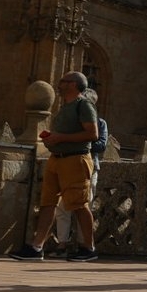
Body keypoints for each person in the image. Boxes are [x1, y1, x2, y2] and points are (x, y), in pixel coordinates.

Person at [10, 71, 100, 262]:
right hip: (56, 159)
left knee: (79, 204)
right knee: (47, 203)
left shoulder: (84, 105)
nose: (59, 84)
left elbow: (92, 134)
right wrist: (52, 139)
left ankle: (88, 248)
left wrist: (61, 138)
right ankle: (37, 247)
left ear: (73, 85)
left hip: (75, 160)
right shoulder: (65, 106)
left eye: (63, 81)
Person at [51, 88, 107, 257]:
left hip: (88, 167)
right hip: (67, 165)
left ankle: (85, 247)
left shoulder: (100, 123)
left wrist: (79, 141)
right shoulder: (70, 123)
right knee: (63, 206)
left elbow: (101, 144)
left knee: (84, 205)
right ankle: (62, 244)